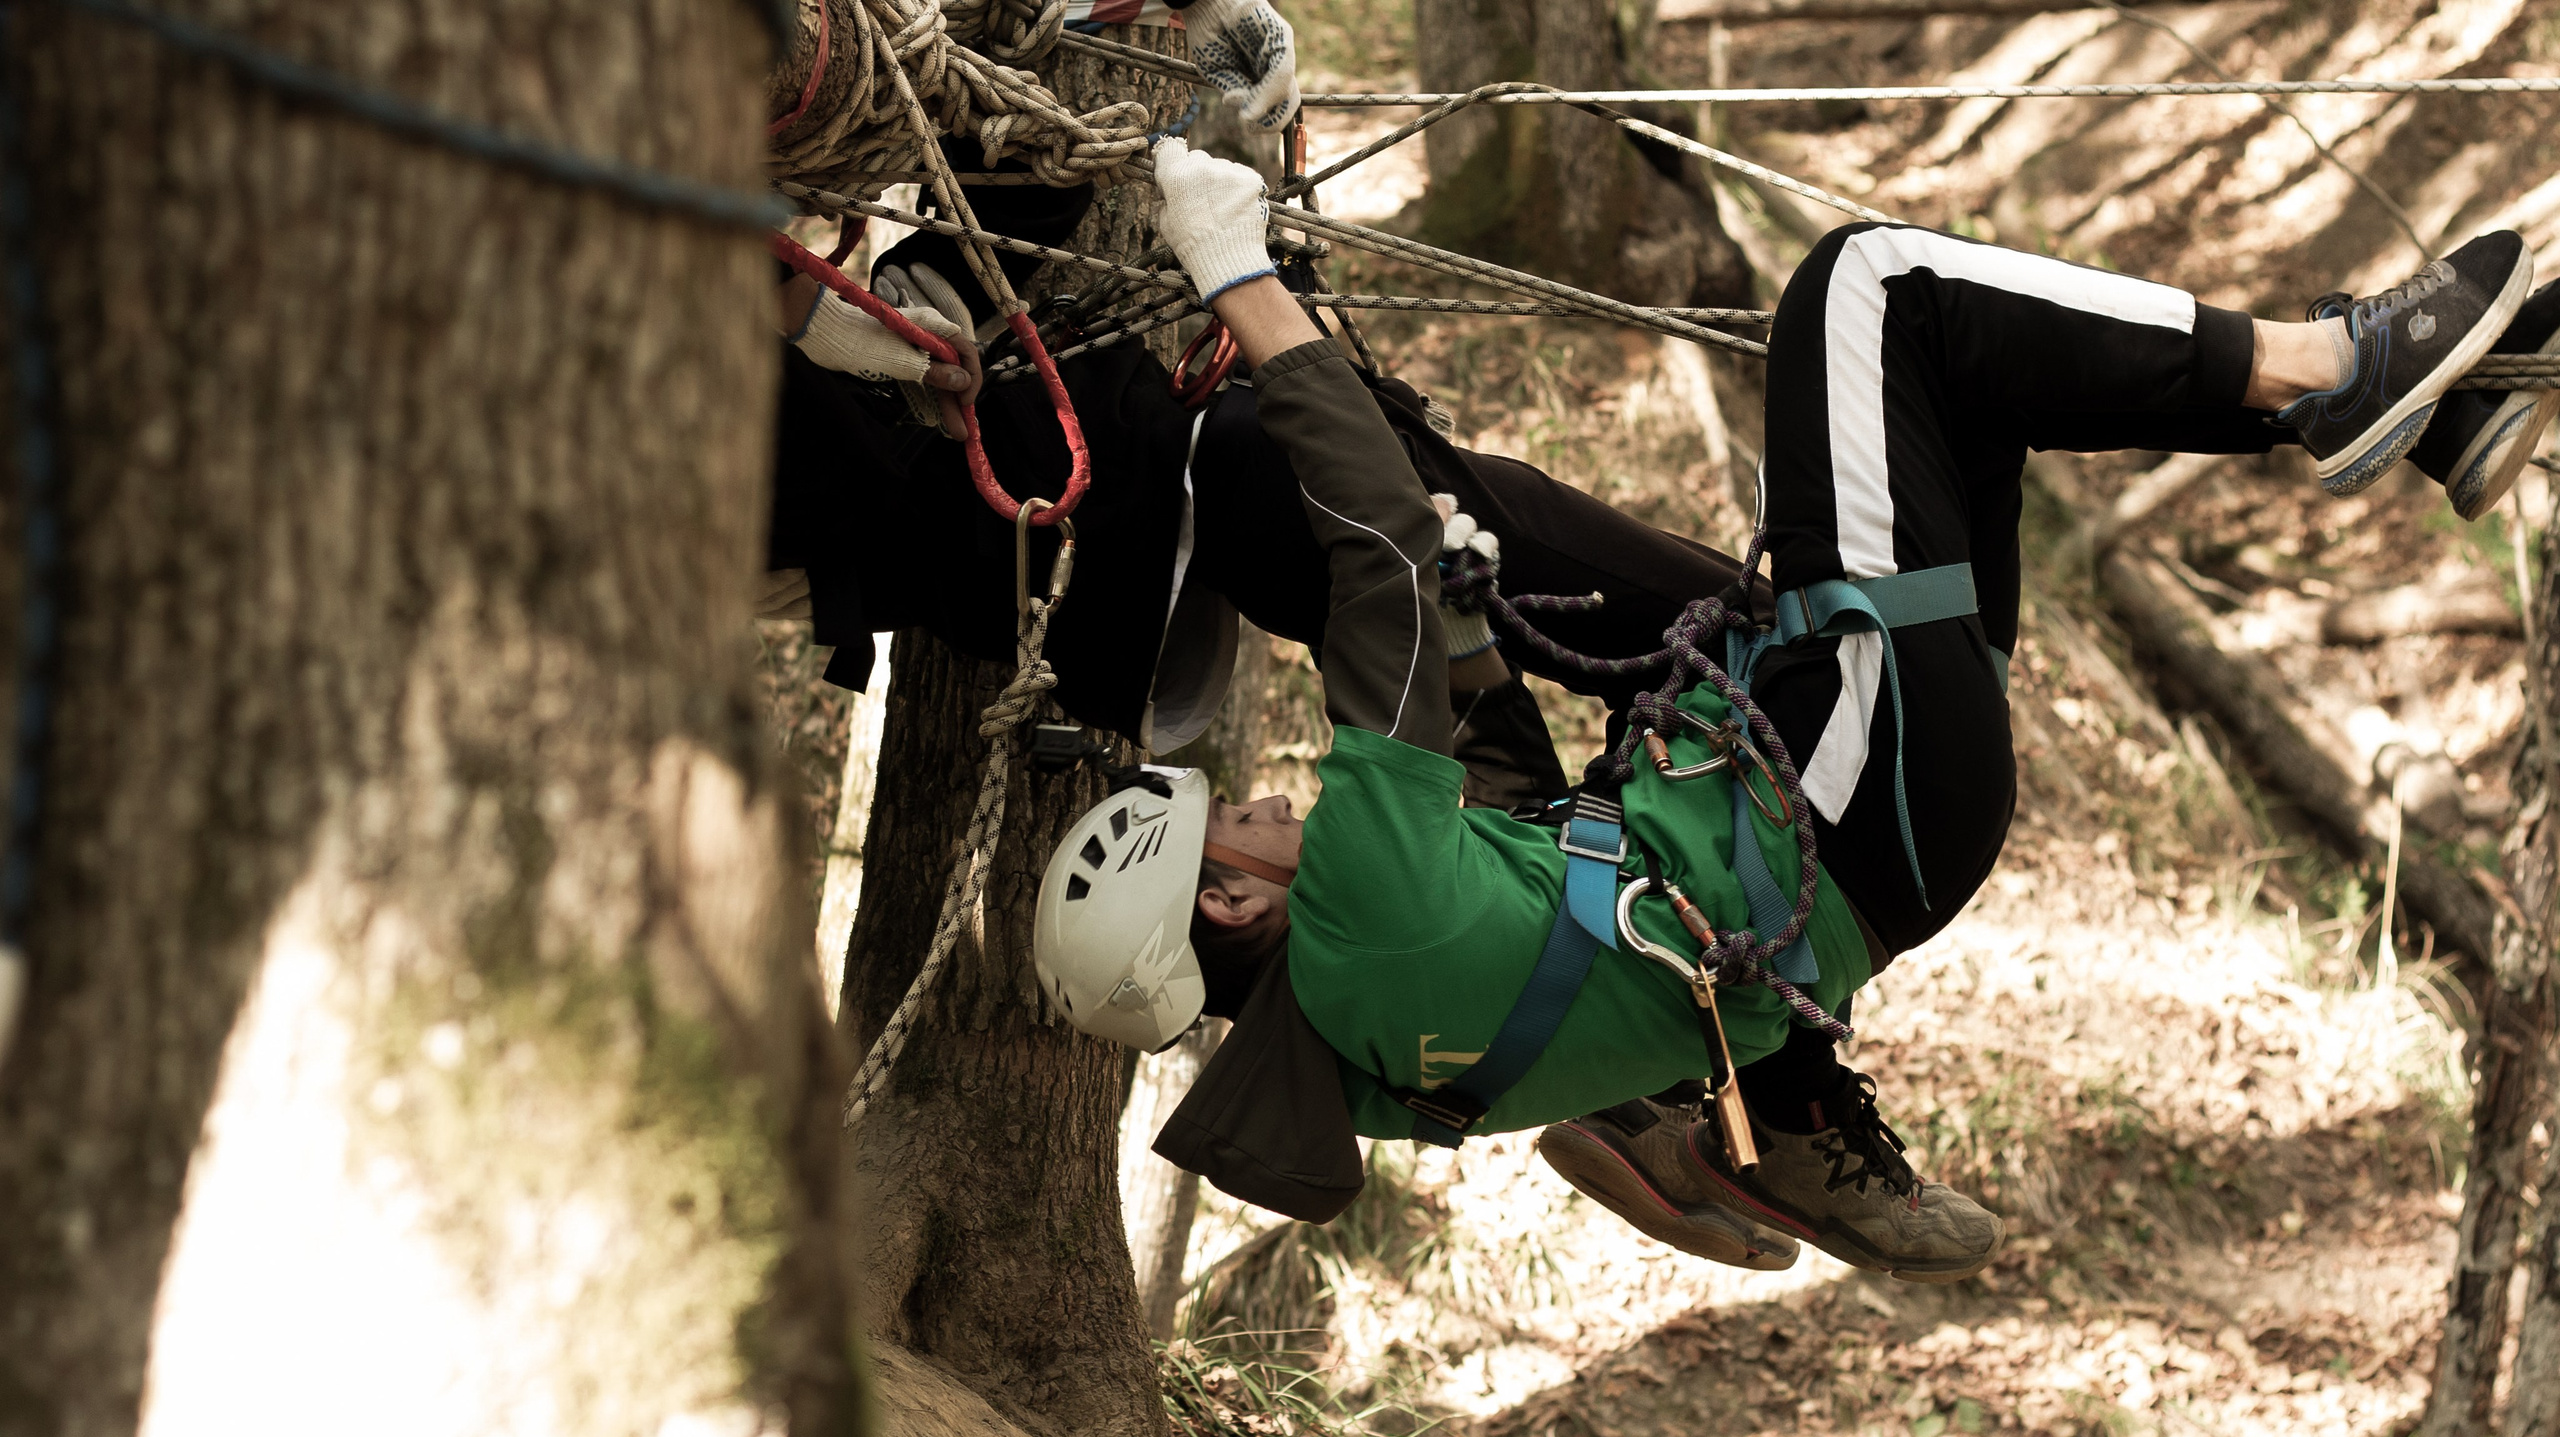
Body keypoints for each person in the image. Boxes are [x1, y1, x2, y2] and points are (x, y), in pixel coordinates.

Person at [772, 145, 2542, 1283]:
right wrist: (1241, 273)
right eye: (1232, 821)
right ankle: (2338, 368)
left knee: (1965, 387)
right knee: (1867, 289)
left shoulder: (1368, 1047)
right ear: (1232, 903)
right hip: (1852, 776)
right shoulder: (1356, 919)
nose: (1264, 802)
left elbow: (1500, 779)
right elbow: (1375, 559)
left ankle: (2427, 406)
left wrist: (1471, 612)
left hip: (1877, 814)